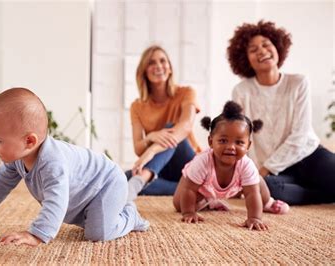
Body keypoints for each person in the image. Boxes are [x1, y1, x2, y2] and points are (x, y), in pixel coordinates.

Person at [0, 88, 149, 246]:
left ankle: (130, 215)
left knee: (98, 233)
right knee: (87, 220)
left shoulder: (52, 163)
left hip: (107, 183)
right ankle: (114, 209)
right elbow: (1, 181)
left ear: (29, 141)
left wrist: (37, 235)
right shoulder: (17, 158)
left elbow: (56, 200)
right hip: (85, 191)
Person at [228, 20, 335, 205]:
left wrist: (263, 170)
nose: (261, 51)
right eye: (253, 50)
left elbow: (300, 136)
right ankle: (325, 195)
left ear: (277, 47)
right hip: (276, 171)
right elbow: (241, 138)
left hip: (309, 156)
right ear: (246, 60)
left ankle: (318, 185)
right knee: (268, 189)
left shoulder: (299, 83)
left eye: (266, 45)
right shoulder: (241, 91)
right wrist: (251, 173)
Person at [173, 101, 289, 231]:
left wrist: (255, 218)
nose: (230, 147)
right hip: (201, 187)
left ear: (248, 146)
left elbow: (251, 194)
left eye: (239, 142)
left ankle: (268, 202)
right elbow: (189, 189)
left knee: (256, 181)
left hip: (236, 186)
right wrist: (188, 212)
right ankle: (209, 202)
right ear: (211, 142)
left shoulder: (246, 164)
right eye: (223, 141)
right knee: (179, 205)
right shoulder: (201, 161)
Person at [127, 45, 201, 201]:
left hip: (189, 164)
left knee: (169, 128)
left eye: (162, 61)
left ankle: (141, 180)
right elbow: (138, 148)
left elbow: (186, 127)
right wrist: (150, 137)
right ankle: (191, 190)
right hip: (161, 167)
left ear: (170, 68)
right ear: (144, 71)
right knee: (123, 177)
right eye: (151, 63)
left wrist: (151, 151)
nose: (158, 66)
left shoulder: (187, 92)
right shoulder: (137, 106)